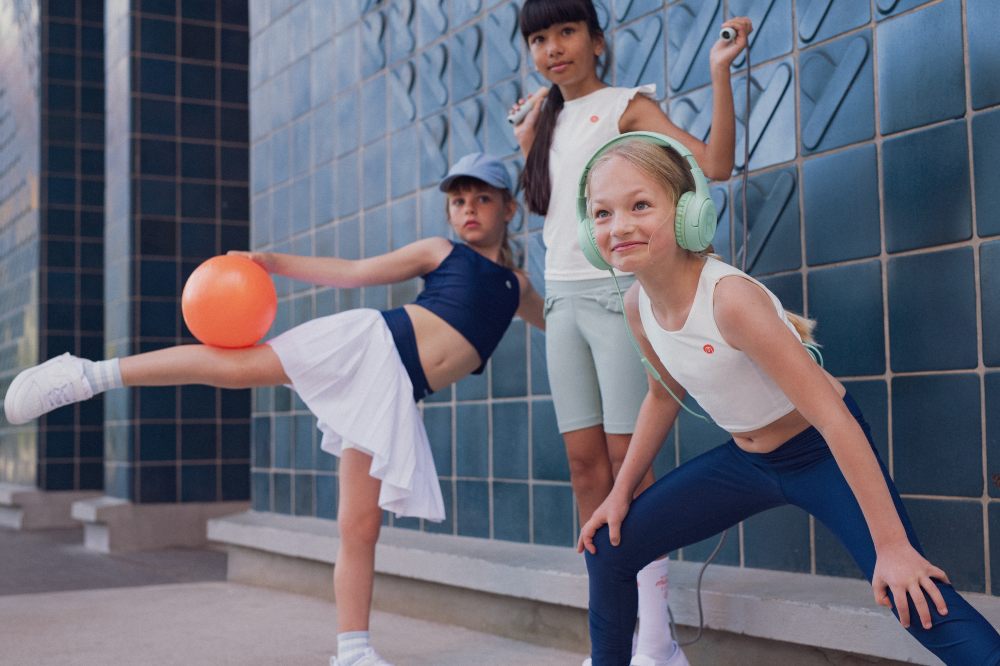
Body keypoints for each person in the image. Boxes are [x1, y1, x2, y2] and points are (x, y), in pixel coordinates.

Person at [3, 152, 545, 666]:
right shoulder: (439, 252)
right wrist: (270, 262)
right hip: (373, 346)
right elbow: (354, 272)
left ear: (509, 209)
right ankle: (87, 375)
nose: (468, 209)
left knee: (359, 525)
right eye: (458, 201)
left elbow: (560, 320)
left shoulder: (516, 286)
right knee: (240, 368)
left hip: (393, 396)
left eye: (483, 199)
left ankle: (353, 649)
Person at [574, 131, 1000, 666]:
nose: (620, 226)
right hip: (747, 462)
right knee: (610, 549)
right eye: (603, 213)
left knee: (909, 591)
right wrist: (620, 494)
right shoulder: (638, 305)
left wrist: (892, 549)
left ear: (687, 213)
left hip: (821, 452)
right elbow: (662, 397)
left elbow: (832, 417)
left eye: (640, 205)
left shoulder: (730, 300)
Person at [510, 1, 751, 664]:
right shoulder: (543, 120)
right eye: (538, 38)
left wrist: (719, 71)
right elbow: (554, 209)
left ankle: (657, 636)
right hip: (562, 304)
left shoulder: (627, 107)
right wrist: (527, 138)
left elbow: (717, 165)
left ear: (595, 40)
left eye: (565, 31)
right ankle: (611, 639)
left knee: (629, 467)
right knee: (585, 467)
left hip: (618, 300)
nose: (552, 48)